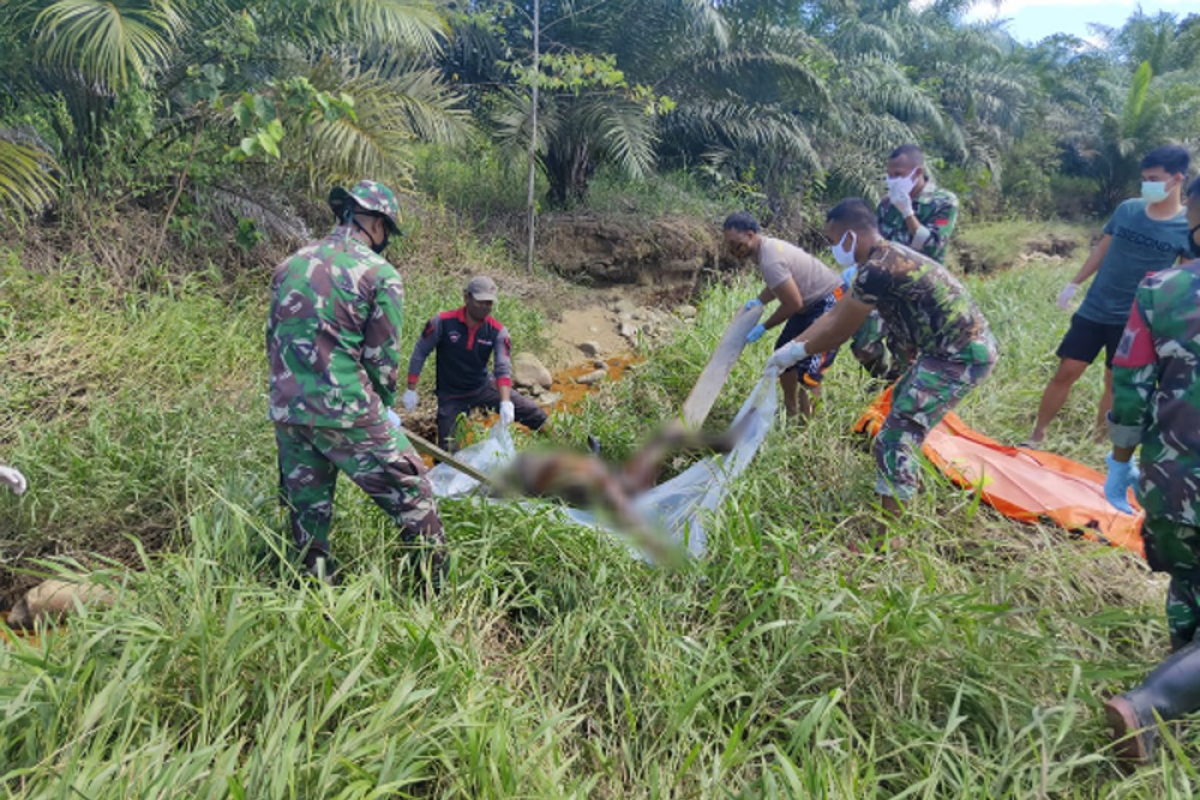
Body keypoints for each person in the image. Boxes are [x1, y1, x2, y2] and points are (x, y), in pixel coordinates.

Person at [766, 198, 996, 529]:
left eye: (833, 241)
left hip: (959, 356)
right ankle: (905, 485)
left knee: (896, 434)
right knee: (898, 417)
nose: (833, 249)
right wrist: (793, 346)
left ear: (851, 235)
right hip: (941, 351)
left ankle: (889, 537)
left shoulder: (879, 268)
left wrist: (792, 354)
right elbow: (834, 314)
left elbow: (839, 330)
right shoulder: (880, 260)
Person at [267, 179, 447, 587]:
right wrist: (383, 408)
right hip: (347, 409)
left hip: (288, 411)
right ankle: (432, 595)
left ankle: (313, 598)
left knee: (307, 516)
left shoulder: (288, 266)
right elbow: (382, 361)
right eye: (387, 231)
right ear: (377, 223)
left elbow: (274, 341)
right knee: (415, 495)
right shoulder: (380, 275)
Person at [1100, 175, 1200, 764]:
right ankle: (1149, 705)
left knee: (1188, 582)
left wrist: (1119, 461)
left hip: (1171, 481)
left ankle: (1164, 721)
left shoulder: (1161, 288)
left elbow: (1130, 384)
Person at [1026, 145, 1192, 447]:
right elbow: (1102, 248)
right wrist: (1074, 283)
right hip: (1095, 309)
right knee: (1066, 371)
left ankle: (1098, 444)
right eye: (1144, 178)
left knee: (1114, 384)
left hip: (1135, 321)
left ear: (1177, 178)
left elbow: (1180, 279)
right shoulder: (1128, 209)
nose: (1147, 185)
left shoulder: (1184, 226)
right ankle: (1036, 435)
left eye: (1154, 178)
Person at [851, 143, 961, 380]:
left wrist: (907, 212)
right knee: (862, 344)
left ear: (917, 172)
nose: (892, 180)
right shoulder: (886, 204)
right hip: (885, 286)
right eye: (889, 175)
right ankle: (878, 379)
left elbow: (932, 245)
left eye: (898, 175)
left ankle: (893, 392)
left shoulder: (943, 202)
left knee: (906, 355)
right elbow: (876, 244)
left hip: (920, 291)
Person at [722, 211, 843, 421]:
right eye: (729, 244)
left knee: (809, 369)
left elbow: (792, 304)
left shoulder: (770, 259)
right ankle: (791, 411)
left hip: (829, 301)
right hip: (809, 305)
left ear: (751, 235)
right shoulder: (767, 249)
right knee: (783, 355)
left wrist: (764, 326)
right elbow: (781, 283)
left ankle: (806, 429)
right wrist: (761, 300)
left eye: (736, 243)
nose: (733, 249)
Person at [404, 276, 548, 450]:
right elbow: (420, 351)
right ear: (466, 297)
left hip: (482, 387)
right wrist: (411, 389)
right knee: (448, 447)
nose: (486, 307)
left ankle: (566, 444)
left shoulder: (497, 331)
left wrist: (505, 401)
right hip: (451, 395)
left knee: (532, 412)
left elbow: (502, 368)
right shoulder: (442, 323)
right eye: (481, 302)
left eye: (489, 303)